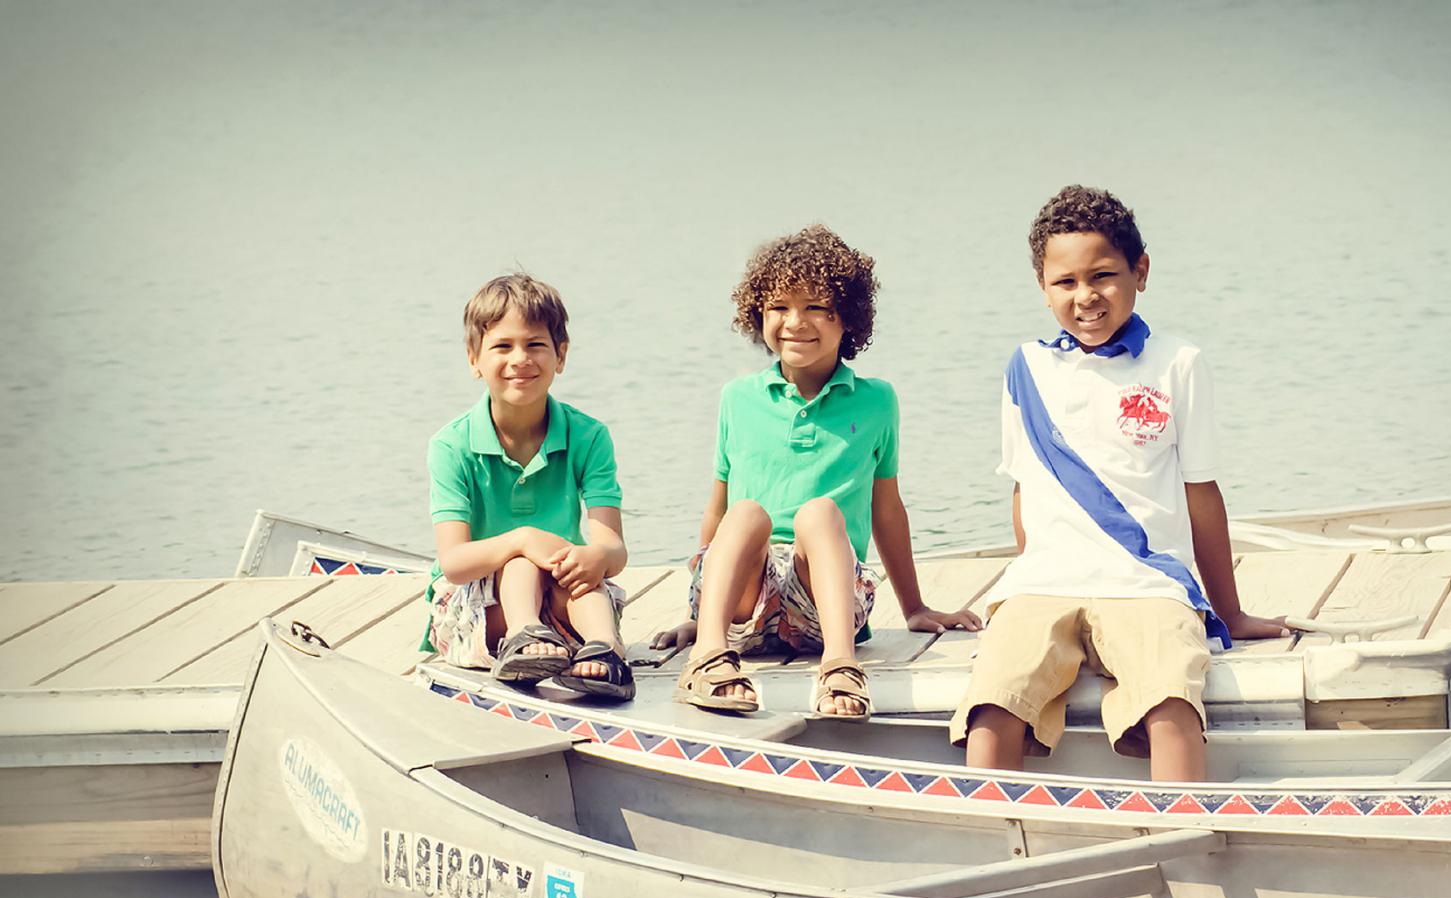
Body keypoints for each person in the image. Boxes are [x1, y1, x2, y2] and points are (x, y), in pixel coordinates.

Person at [951, 186, 1289, 779]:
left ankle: (1182, 842)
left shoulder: (1178, 362)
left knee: (1171, 704)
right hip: (1043, 584)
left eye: (1103, 275)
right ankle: (994, 842)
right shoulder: (1025, 366)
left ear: (1141, 271)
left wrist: (1228, 613)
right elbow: (1023, 487)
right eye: (1065, 282)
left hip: (1148, 584)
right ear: (1042, 286)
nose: (1086, 297)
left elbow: (1200, 493)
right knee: (992, 705)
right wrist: (1029, 572)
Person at [666, 224, 979, 718]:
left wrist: (915, 607)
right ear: (757, 314)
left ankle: (839, 666)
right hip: (748, 602)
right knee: (746, 514)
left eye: (817, 307)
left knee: (820, 514)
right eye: (779, 307)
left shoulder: (877, 401)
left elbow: (887, 509)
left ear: (848, 319)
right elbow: (718, 511)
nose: (796, 322)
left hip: (825, 599)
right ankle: (707, 655)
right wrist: (701, 614)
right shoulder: (737, 398)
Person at [422, 272, 634, 700]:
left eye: (535, 344)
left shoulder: (588, 436)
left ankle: (608, 653)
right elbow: (454, 563)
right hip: (477, 606)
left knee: (581, 576)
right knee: (521, 562)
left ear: (561, 355)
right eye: (502, 346)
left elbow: (614, 549)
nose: (520, 359)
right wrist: (522, 540)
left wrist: (594, 555)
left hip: (561, 593)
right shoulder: (451, 444)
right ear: (473, 359)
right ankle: (524, 640)